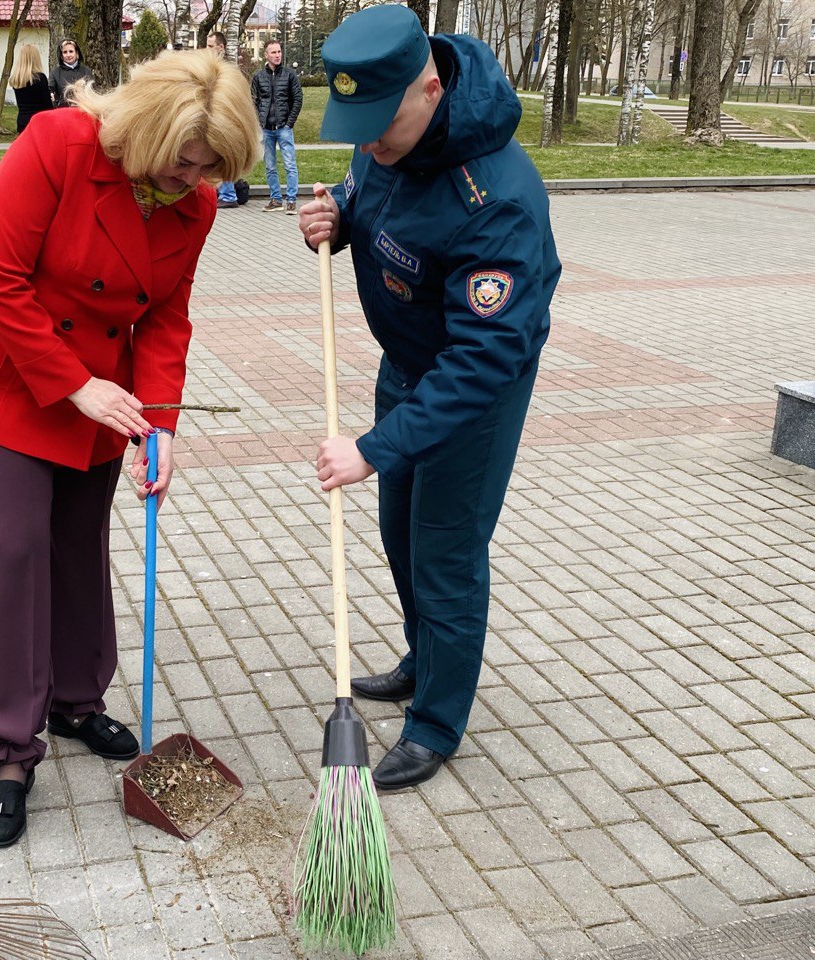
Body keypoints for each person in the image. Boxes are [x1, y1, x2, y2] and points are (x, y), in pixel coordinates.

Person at [0, 51, 260, 847]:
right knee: (16, 548)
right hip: (10, 384)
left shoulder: (197, 205)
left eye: (212, 167)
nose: (193, 180)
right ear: (148, 133)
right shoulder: (55, 146)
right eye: (184, 162)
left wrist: (163, 423)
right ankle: (12, 747)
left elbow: (165, 318)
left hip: (105, 405)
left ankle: (76, 700)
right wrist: (76, 386)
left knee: (80, 546)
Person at [298, 4, 561, 790]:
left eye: (380, 123)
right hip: (405, 371)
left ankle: (438, 720)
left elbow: (484, 358)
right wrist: (335, 216)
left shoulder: (498, 200)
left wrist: (372, 450)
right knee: (400, 535)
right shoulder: (388, 137)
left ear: (430, 88)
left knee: (445, 553)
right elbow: (368, 192)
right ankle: (425, 659)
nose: (369, 142)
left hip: (469, 395)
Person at [250, 39, 301, 214]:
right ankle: (276, 199)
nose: (277, 55)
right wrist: (259, 122)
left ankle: (292, 200)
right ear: (266, 55)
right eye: (273, 52)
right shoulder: (258, 76)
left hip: (284, 128)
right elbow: (254, 101)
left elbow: (297, 100)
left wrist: (289, 123)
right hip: (266, 129)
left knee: (290, 164)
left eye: (279, 52)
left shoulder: (289, 75)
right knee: (270, 166)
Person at [206, 30, 240, 210]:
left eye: (210, 46)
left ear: (221, 47)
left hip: (225, 121)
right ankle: (222, 192)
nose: (207, 49)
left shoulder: (226, 71)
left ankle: (228, 194)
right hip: (216, 120)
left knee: (224, 157)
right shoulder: (212, 68)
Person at [9, 42, 53, 134]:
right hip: (38, 121)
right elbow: (47, 106)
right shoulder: (40, 78)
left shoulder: (17, 79)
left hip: (22, 120)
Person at [50, 37, 92, 106]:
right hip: (63, 111)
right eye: (65, 52)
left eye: (71, 51)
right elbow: (50, 90)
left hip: (83, 110)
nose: (68, 55)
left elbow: (91, 92)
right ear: (61, 55)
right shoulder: (55, 72)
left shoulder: (86, 71)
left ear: (76, 53)